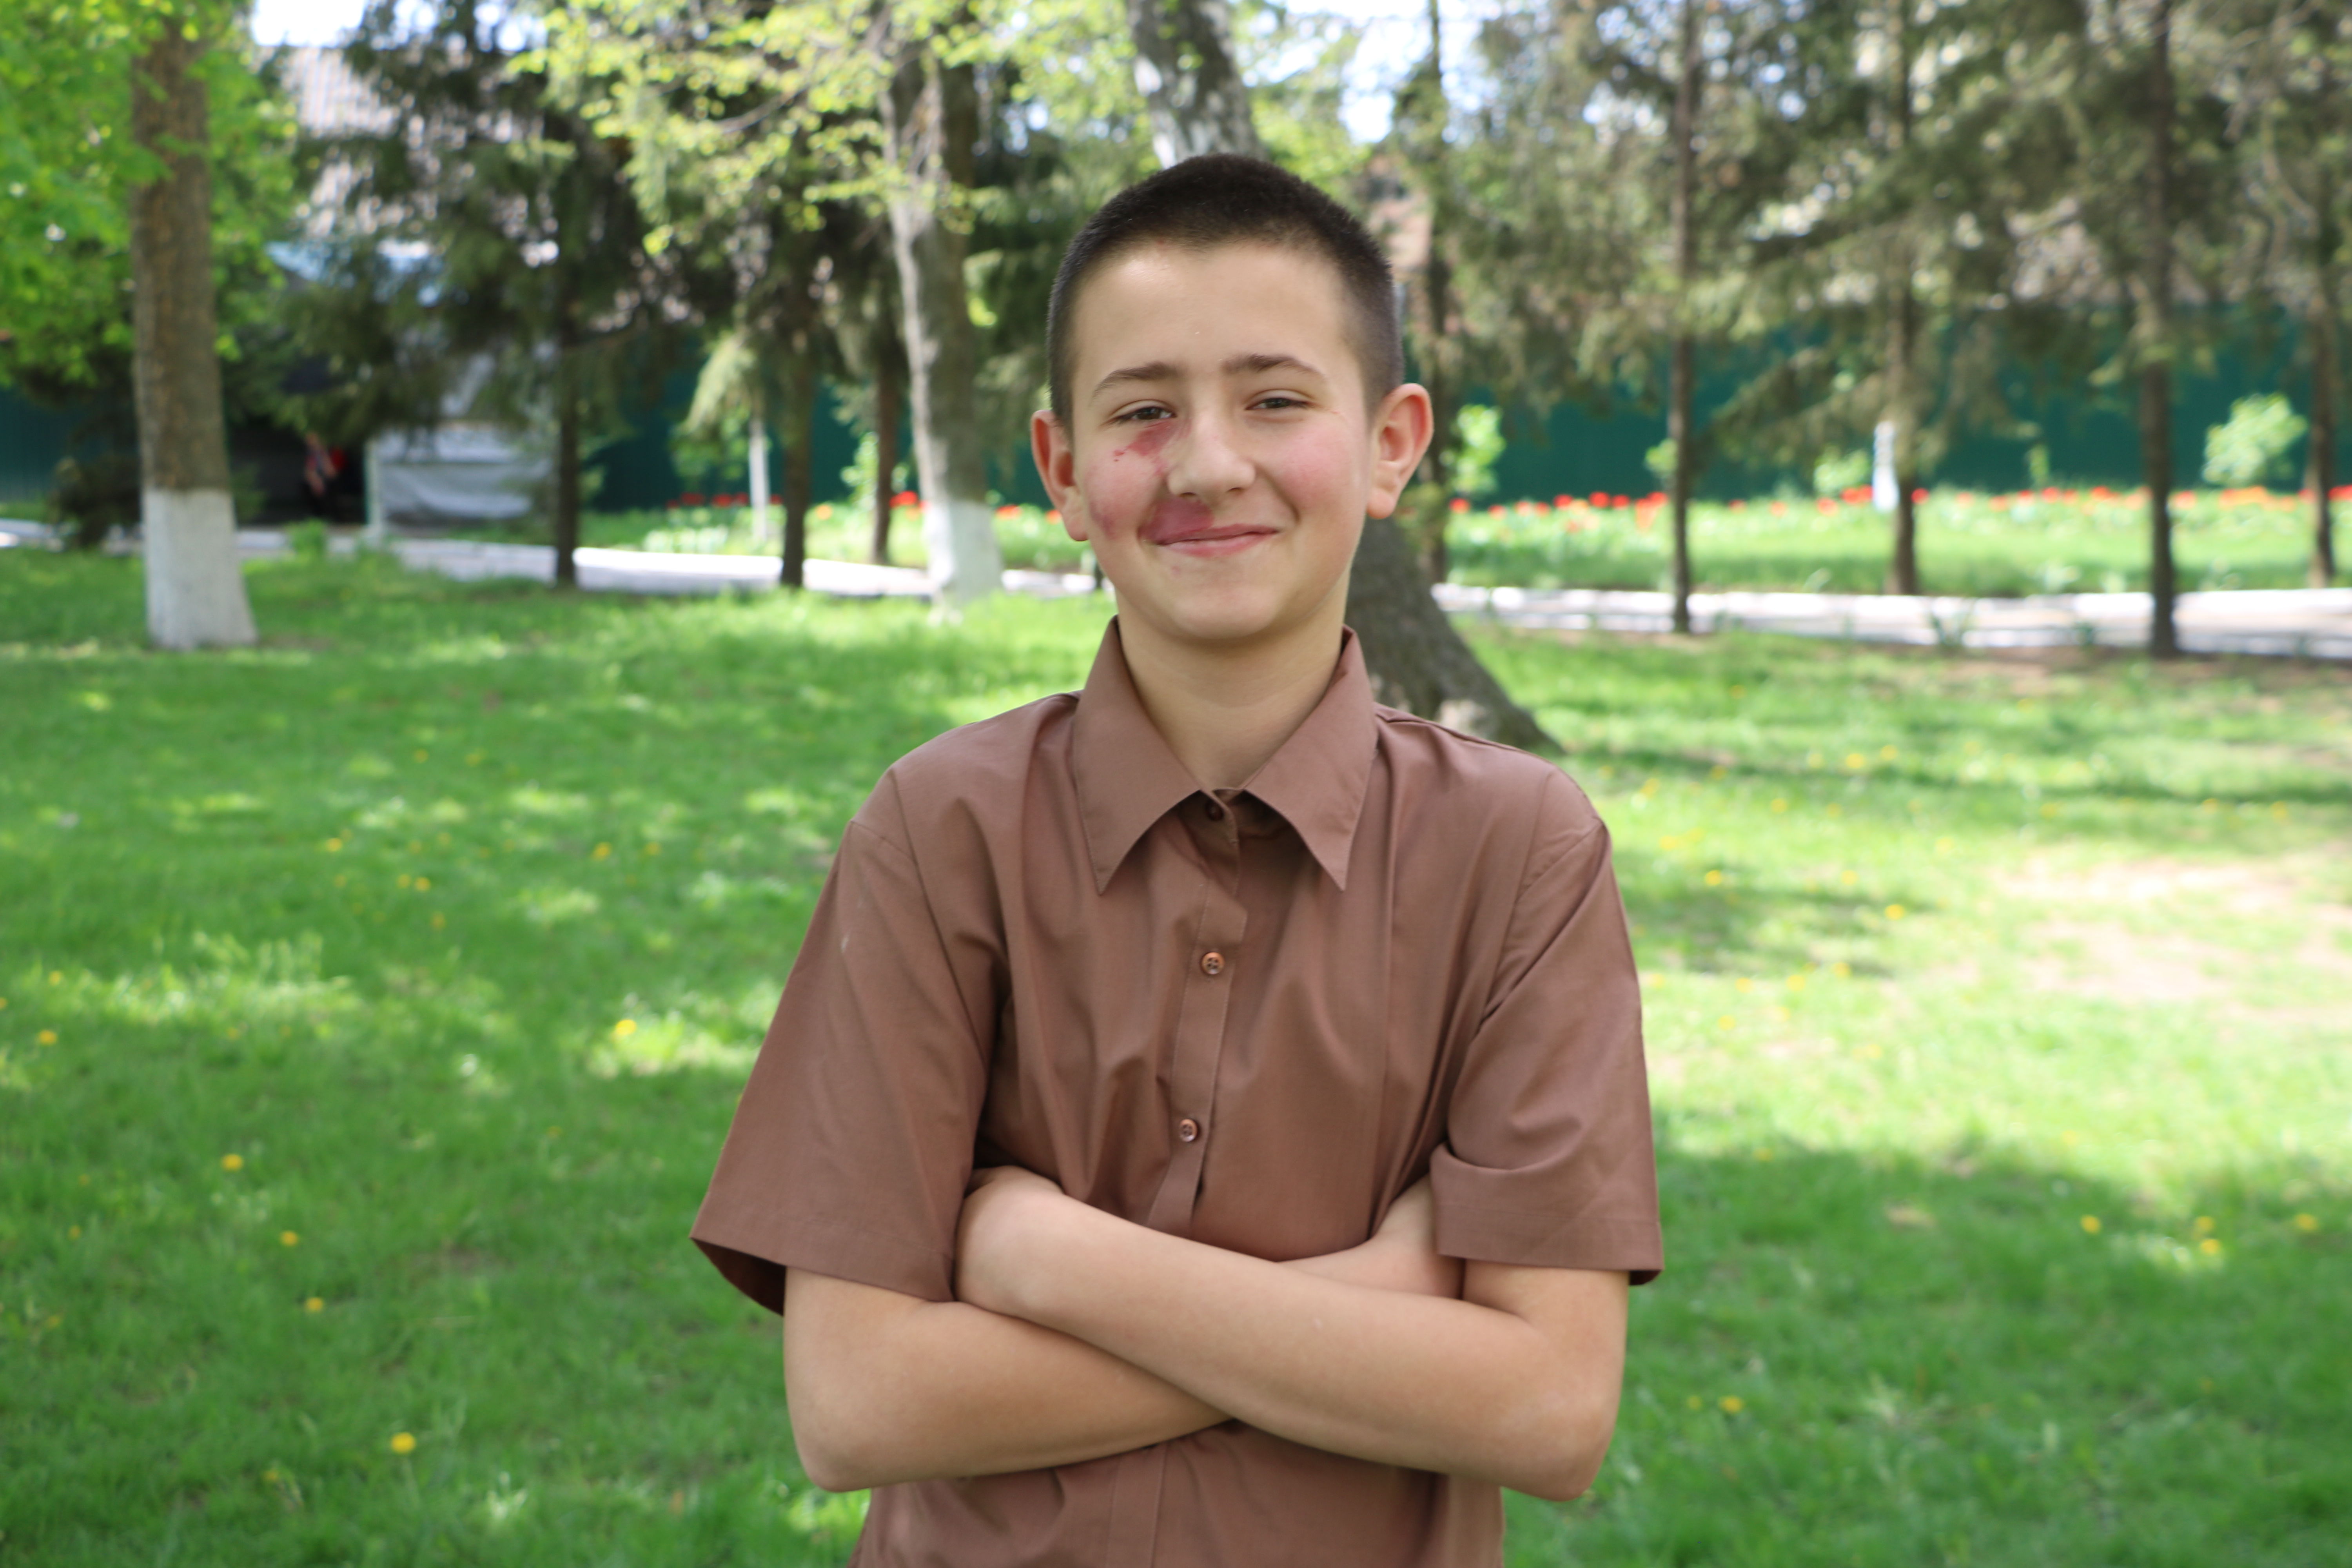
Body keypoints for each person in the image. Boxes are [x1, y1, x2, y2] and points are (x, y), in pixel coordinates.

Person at [691, 154, 1662, 1568]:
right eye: (1144, 411)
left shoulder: (1520, 854)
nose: (1208, 464)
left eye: (1276, 401)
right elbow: (856, 1403)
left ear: (1391, 444)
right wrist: (1381, 1302)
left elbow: (1549, 1409)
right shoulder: (940, 832)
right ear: (1063, 470)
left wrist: (1051, 1260)